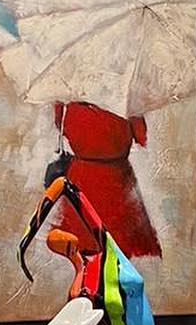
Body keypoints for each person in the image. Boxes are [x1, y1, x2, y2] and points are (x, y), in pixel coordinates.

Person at [49, 100, 160, 259]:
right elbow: (141, 137)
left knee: (80, 248)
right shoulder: (126, 99)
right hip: (118, 183)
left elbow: (60, 124)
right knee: (122, 252)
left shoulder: (70, 96)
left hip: (82, 179)